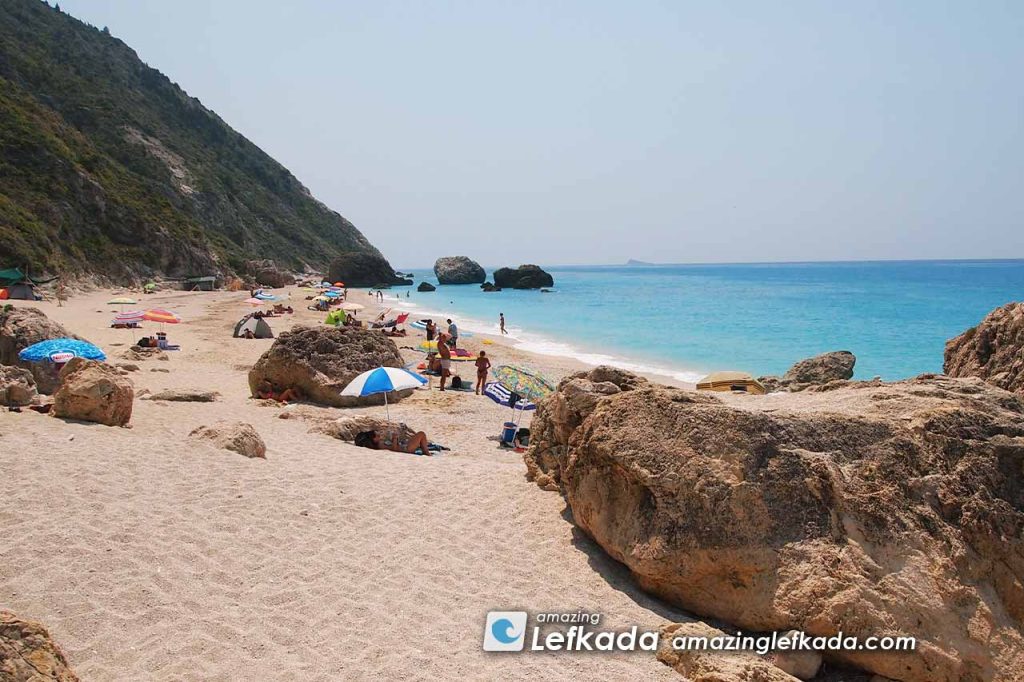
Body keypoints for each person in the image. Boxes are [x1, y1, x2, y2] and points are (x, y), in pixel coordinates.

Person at [354, 429, 432, 456]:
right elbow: (394, 449)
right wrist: (395, 439)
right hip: (406, 448)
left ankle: (425, 451)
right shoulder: (381, 445)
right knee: (421, 434)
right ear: (374, 439)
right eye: (377, 434)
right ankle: (427, 453)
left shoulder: (380, 444)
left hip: (404, 446)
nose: (379, 434)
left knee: (419, 435)